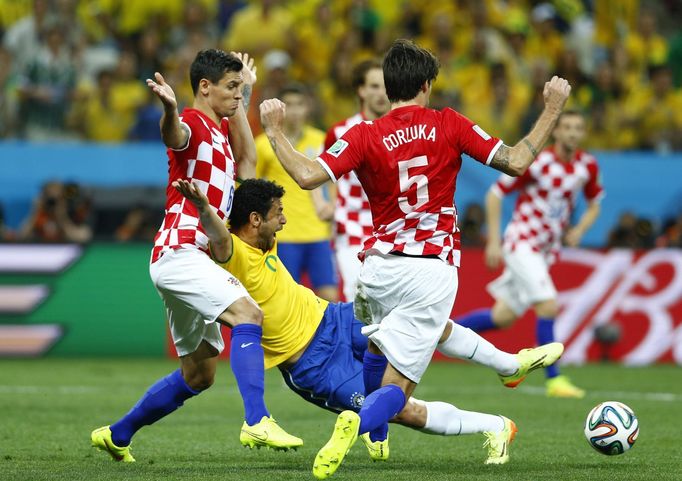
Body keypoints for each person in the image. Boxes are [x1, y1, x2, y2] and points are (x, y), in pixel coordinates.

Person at [259, 38, 571, 478]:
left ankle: (507, 366)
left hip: (377, 268)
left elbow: (308, 176)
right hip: (430, 268)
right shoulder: (448, 124)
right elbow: (517, 161)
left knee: (379, 343)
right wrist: (552, 108)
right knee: (398, 389)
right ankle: (362, 421)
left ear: (387, 89)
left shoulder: (364, 134)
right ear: (427, 85)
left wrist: (274, 130)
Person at [173, 176, 564, 462]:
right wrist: (205, 207)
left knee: (420, 320)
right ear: (255, 220)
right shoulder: (233, 252)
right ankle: (497, 425)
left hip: (335, 318)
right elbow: (219, 238)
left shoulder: (265, 240)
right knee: (401, 409)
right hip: (314, 365)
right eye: (279, 215)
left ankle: (510, 364)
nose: (285, 221)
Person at [90, 49, 301, 463]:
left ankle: (117, 434)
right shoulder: (195, 126)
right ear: (205, 87)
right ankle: (257, 420)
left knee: (200, 374)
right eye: (231, 88)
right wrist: (169, 109)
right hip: (181, 252)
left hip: (191, 260)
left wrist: (248, 92)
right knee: (248, 314)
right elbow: (175, 136)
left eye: (239, 88)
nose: (237, 96)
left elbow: (248, 162)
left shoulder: (220, 134)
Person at [456, 110, 603, 399]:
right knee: (548, 306)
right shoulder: (539, 164)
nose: (573, 133)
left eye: (578, 128)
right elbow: (495, 194)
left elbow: (595, 203)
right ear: (556, 132)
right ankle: (554, 380)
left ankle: (437, 334)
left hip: (545, 250)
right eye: (567, 127)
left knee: (503, 317)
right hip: (522, 243)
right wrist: (494, 241)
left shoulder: (587, 166)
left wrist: (580, 230)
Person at [255, 83, 337, 302]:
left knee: (330, 297)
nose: (294, 110)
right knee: (285, 300)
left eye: (299, 104)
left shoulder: (321, 140)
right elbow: (251, 184)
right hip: (283, 235)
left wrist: (333, 205)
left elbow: (334, 178)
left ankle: (327, 338)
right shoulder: (264, 144)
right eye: (288, 105)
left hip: (318, 233)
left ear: (307, 108)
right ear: (279, 109)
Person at [324, 59, 390, 301]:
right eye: (374, 86)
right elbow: (327, 175)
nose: (381, 93)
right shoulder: (340, 132)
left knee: (388, 300)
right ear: (361, 90)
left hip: (390, 227)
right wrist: (327, 205)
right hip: (350, 224)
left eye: (385, 86)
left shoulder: (402, 130)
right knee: (357, 296)